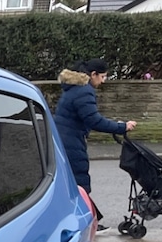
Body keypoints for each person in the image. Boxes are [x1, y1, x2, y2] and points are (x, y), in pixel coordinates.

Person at [54, 58, 136, 228]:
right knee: (79, 183)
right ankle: (85, 223)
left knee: (71, 183)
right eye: (103, 77)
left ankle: (87, 221)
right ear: (93, 75)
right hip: (70, 142)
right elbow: (94, 121)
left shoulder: (74, 88)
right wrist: (122, 127)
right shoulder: (84, 91)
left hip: (64, 138)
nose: (103, 81)